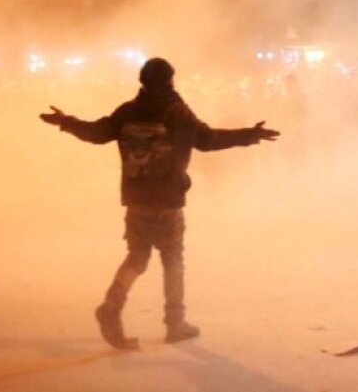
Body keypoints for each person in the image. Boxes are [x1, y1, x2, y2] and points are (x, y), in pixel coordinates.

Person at [39, 57, 279, 350]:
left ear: (142, 81)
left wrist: (65, 122)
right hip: (167, 200)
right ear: (169, 81)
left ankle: (111, 306)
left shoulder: (128, 111)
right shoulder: (177, 113)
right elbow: (208, 139)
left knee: (137, 258)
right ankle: (175, 323)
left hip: (136, 199)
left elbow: (97, 133)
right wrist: (250, 135)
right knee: (173, 259)